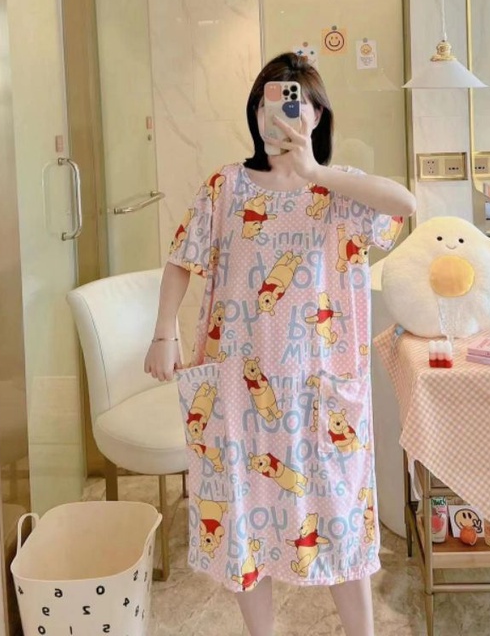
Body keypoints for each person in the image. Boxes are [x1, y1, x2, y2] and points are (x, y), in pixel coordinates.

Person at [144, 52, 416, 636]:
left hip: (320, 392)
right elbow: (181, 259)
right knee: (245, 520)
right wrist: (164, 332)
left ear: (317, 115)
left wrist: (316, 171)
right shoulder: (226, 186)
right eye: (269, 102)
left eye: (297, 103)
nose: (282, 115)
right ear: (256, 113)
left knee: (339, 518)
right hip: (238, 392)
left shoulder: (342, 191)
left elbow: (406, 206)